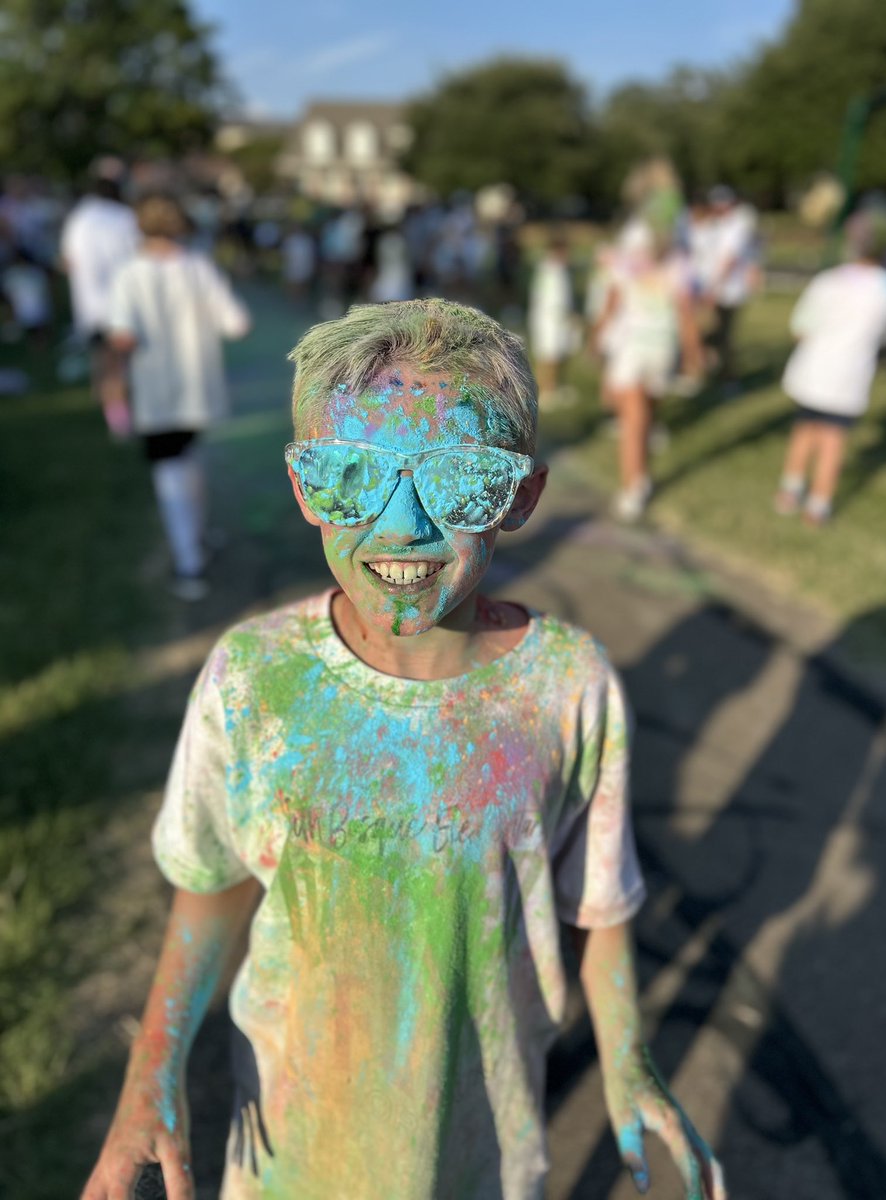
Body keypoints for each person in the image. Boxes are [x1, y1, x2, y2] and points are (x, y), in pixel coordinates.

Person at [81, 299, 726, 1200]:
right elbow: (211, 884)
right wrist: (149, 1077)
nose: (405, 526)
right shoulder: (252, 678)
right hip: (289, 1152)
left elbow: (600, 904)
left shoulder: (568, 687)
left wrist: (625, 1059)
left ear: (521, 497)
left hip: (485, 1148)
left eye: (460, 480)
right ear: (307, 488)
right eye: (353, 476)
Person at [105, 193, 251, 599]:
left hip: (155, 391)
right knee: (190, 459)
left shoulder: (128, 274)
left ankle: (188, 560)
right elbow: (237, 323)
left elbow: (122, 336)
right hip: (197, 386)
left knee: (169, 471)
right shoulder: (198, 267)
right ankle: (198, 537)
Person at [774, 209, 886, 526]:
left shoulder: (828, 281)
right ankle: (818, 505)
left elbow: (800, 328)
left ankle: (790, 490)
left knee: (804, 430)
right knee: (833, 440)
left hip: (812, 370)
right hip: (849, 376)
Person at [598, 225, 702, 521]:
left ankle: (634, 487)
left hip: (634, 347)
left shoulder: (626, 261)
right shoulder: (679, 265)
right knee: (644, 413)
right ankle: (640, 474)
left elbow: (612, 303)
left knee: (633, 420)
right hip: (662, 348)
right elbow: (686, 314)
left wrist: (598, 335)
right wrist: (693, 353)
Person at [60, 159, 139, 427]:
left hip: (90, 305)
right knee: (120, 364)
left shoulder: (78, 219)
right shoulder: (125, 217)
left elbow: (67, 261)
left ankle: (112, 409)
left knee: (103, 361)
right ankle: (120, 417)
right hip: (122, 304)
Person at [704, 187, 759, 388]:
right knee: (716, 333)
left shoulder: (737, 224)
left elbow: (730, 259)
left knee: (724, 336)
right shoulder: (721, 225)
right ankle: (715, 370)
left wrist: (714, 286)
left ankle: (729, 379)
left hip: (730, 290)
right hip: (720, 288)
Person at [527, 235, 575, 407]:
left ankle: (553, 386)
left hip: (557, 318)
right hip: (549, 318)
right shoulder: (549, 270)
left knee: (558, 352)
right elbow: (550, 298)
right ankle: (544, 391)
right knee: (548, 354)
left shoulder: (558, 269)